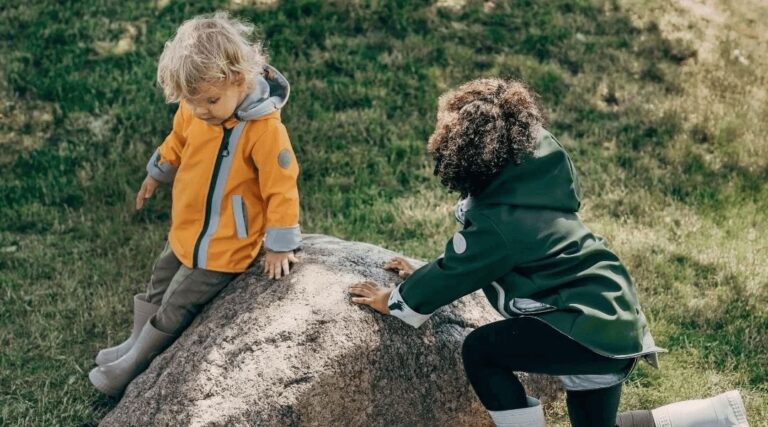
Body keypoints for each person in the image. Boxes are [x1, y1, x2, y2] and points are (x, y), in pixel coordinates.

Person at [350, 78, 748, 427]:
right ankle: (717, 415)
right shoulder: (533, 186)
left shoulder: (500, 221)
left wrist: (396, 300)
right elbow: (479, 262)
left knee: (482, 352)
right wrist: (423, 269)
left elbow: (460, 269)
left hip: (586, 327)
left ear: (467, 155)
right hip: (612, 318)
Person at [89, 12, 301, 397]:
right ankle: (134, 342)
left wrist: (280, 244)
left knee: (176, 300)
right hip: (189, 228)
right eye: (191, 101)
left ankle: (136, 364)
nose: (200, 110)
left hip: (225, 246)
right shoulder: (195, 107)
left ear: (238, 79)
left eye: (210, 101)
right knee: (159, 282)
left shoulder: (266, 131)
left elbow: (281, 188)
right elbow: (177, 140)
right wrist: (157, 172)